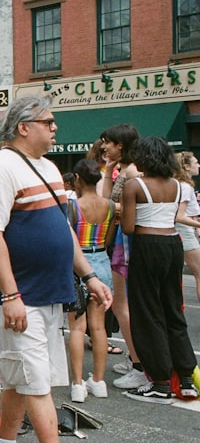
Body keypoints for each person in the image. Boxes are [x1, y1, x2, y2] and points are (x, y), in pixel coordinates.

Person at [0, 96, 112, 443]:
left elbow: (62, 229)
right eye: (48, 121)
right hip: (20, 296)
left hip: (49, 293)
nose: (55, 128)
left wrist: (88, 274)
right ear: (23, 126)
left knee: (23, 378)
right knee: (37, 383)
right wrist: (11, 293)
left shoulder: (49, 168)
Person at [120, 136, 198, 403]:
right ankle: (186, 378)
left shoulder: (134, 185)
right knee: (173, 309)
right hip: (172, 244)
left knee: (148, 312)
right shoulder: (177, 185)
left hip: (147, 244)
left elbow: (129, 228)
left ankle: (161, 382)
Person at [65, 159, 118, 403]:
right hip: (102, 262)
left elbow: (69, 240)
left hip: (79, 266)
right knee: (99, 327)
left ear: (77, 178)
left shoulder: (73, 206)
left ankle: (77, 384)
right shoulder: (109, 206)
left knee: (77, 327)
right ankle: (98, 380)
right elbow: (108, 240)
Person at [98, 124, 146, 390]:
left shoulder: (132, 172)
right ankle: (135, 358)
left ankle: (140, 365)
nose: (105, 146)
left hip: (126, 240)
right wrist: (107, 170)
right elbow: (106, 202)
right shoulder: (124, 169)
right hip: (122, 239)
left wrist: (116, 208)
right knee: (123, 304)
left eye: (109, 142)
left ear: (122, 145)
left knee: (122, 305)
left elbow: (118, 206)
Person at [174, 151, 200, 303]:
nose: (198, 165)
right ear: (187, 167)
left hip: (187, 231)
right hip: (184, 231)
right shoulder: (185, 187)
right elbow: (179, 216)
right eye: (195, 162)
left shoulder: (183, 186)